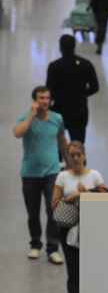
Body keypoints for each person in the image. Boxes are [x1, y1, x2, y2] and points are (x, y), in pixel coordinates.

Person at [12, 86, 66, 266]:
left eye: (47, 98)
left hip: (52, 172)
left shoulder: (57, 118)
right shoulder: (26, 118)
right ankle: (35, 244)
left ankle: (52, 248)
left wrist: (71, 166)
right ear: (35, 100)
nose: (45, 101)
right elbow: (17, 133)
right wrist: (30, 116)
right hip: (30, 174)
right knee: (32, 212)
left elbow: (62, 142)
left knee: (53, 211)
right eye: (41, 98)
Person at [53, 141, 107, 293]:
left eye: (78, 154)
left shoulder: (95, 175)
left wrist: (85, 193)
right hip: (68, 231)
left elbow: (107, 197)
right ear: (67, 157)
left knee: (93, 270)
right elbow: (54, 204)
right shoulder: (62, 177)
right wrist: (70, 199)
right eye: (72, 155)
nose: (75, 158)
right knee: (74, 272)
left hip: (93, 230)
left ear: (84, 156)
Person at [46, 35, 99, 143]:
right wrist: (82, 94)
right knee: (78, 148)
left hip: (59, 111)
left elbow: (48, 91)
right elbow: (95, 87)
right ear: (74, 46)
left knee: (57, 149)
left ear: (60, 47)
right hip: (79, 111)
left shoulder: (54, 66)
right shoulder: (86, 64)